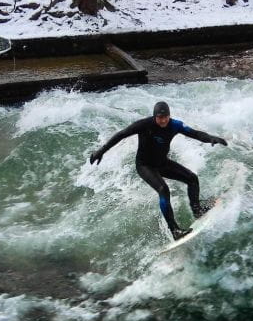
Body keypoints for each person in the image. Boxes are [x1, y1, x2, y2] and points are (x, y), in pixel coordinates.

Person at [89, 101, 228, 241]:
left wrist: (210, 138)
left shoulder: (175, 125)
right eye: (159, 117)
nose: (163, 120)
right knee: (163, 189)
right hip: (144, 166)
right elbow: (121, 134)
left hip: (162, 163)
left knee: (192, 178)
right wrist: (101, 151)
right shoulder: (144, 124)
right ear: (155, 116)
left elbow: (195, 133)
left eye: (165, 117)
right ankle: (175, 231)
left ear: (169, 116)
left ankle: (197, 210)